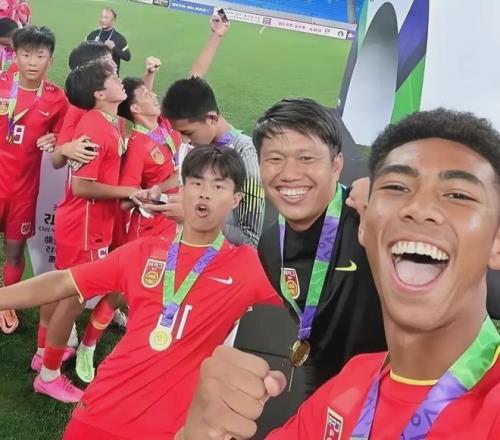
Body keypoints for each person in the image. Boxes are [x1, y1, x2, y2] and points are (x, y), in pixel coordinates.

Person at [178, 108, 500, 439]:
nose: (418, 208)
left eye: (458, 195)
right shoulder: (345, 391)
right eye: (397, 187)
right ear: (367, 226)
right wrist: (197, 433)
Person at [0, 146, 282, 438]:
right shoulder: (143, 252)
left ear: (235, 199)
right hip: (99, 412)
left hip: (169, 429)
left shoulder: (245, 266)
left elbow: (308, 298)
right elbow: (63, 282)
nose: (204, 193)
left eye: (218, 186)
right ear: (182, 190)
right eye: (196, 182)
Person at [31, 59, 138, 403]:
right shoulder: (96, 128)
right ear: (99, 93)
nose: (120, 80)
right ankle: (49, 376)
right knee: (73, 302)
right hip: (85, 228)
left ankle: (43, 354)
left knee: (63, 292)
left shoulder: (107, 123)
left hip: (84, 225)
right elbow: (81, 186)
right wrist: (129, 191)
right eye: (113, 77)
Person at [0, 25, 68, 333]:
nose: (32, 61)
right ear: (15, 55)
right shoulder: (2, 84)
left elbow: (65, 135)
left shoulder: (57, 98)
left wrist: (55, 138)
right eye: (26, 54)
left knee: (15, 251)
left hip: (24, 191)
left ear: (50, 60)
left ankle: (7, 303)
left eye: (40, 55)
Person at [162, 77, 265, 247]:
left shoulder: (245, 156)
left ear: (212, 118)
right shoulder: (200, 148)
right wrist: (159, 198)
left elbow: (251, 240)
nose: (185, 140)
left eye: (188, 133)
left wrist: (193, 216)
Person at [86, 8, 130, 75]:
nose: (103, 20)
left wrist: (114, 48)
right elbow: (84, 53)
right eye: (101, 17)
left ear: (113, 21)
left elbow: (127, 57)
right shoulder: (92, 35)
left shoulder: (119, 38)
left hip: (111, 77)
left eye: (106, 18)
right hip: (93, 75)